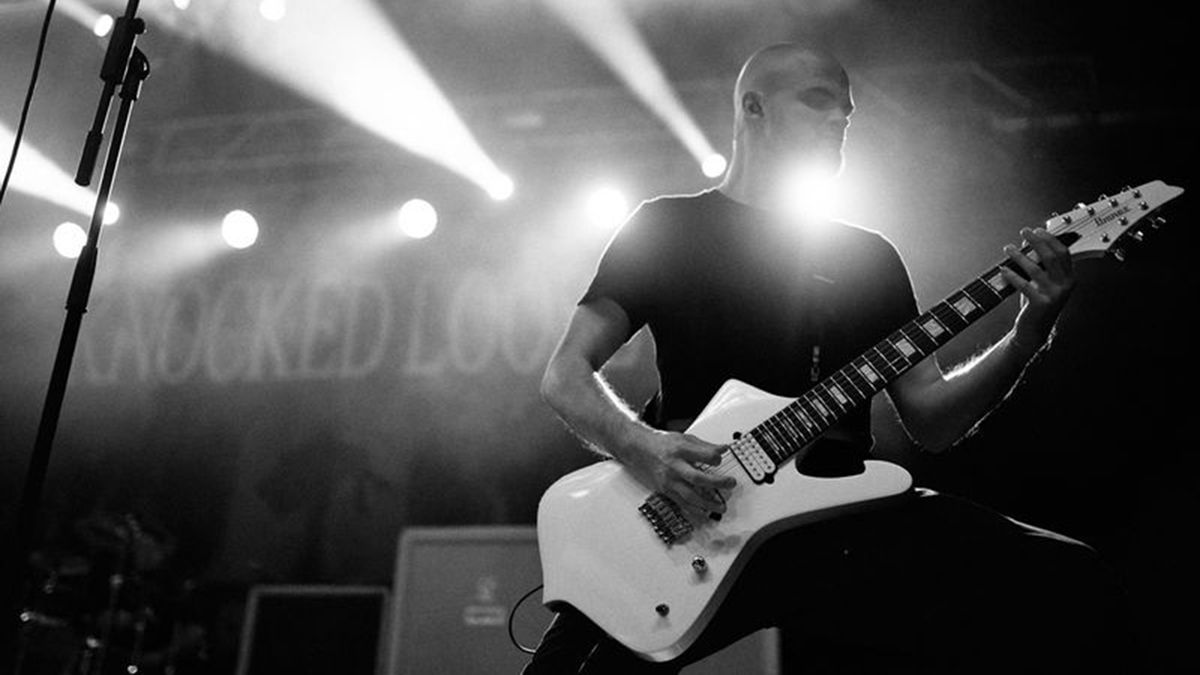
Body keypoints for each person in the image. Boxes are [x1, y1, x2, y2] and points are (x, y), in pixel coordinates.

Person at [523, 42, 1132, 674]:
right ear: (752, 109)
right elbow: (564, 374)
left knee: (1072, 582)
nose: (839, 120)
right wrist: (642, 447)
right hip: (698, 514)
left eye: (846, 111)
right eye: (818, 101)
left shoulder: (868, 257)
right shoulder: (667, 229)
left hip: (840, 518)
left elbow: (933, 420)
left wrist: (1029, 330)